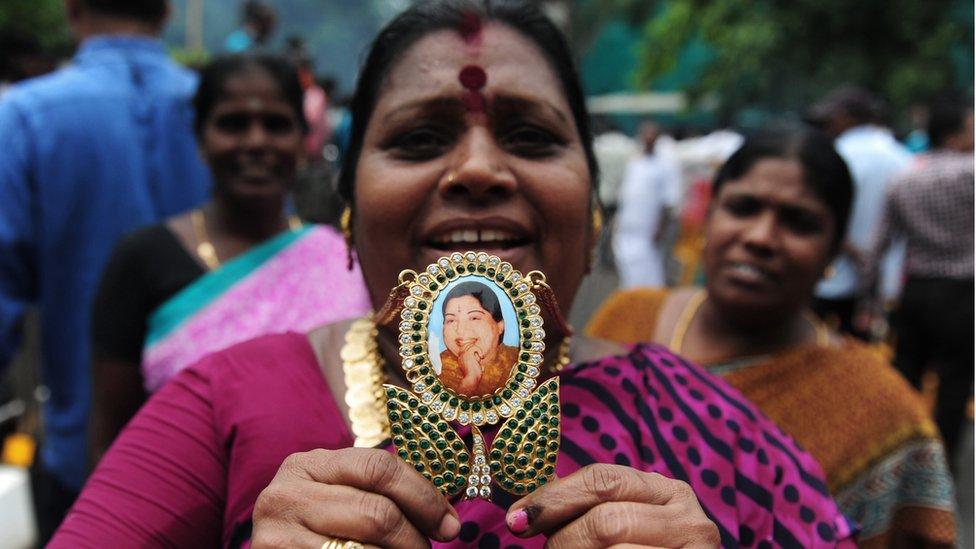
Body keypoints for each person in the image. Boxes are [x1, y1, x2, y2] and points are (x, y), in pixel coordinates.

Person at [52, 2, 855, 547]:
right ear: (348, 210)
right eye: (419, 138)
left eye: (533, 137)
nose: (477, 167)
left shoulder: (708, 425)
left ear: (595, 210)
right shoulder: (223, 404)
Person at [587, 129, 957, 547]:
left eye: (799, 222)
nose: (760, 237)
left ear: (835, 253)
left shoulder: (882, 413)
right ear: (709, 218)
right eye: (743, 208)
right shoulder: (625, 318)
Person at [88, 53, 371, 465]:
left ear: (303, 139)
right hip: (184, 518)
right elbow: (109, 439)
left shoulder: (340, 257)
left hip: (336, 515)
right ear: (201, 139)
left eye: (276, 124)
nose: (256, 141)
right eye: (233, 124)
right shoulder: (142, 259)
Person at [0, 0, 212, 540]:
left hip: (85, 453)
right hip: (217, 456)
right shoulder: (226, 111)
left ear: (72, 11)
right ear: (165, 13)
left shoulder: (23, 117)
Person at [864, 99, 974, 461]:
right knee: (955, 382)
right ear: (955, 134)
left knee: (906, 374)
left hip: (916, 291)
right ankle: (941, 461)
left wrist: (870, 298)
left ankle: (900, 455)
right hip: (962, 293)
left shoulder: (905, 178)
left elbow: (878, 246)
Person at [806, 86, 911, 338]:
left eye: (833, 117)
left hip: (830, 275)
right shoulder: (901, 156)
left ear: (847, 116)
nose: (828, 124)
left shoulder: (838, 153)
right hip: (882, 279)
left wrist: (849, 247)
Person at [612, 121, 682, 288]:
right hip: (628, 223)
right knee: (626, 263)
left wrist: (661, 228)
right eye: (646, 134)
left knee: (649, 268)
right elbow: (626, 195)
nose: (648, 138)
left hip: (649, 227)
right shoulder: (634, 163)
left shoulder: (665, 165)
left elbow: (668, 201)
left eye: (652, 135)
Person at [437, 281, 519, 396]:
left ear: (500, 325)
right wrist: (471, 379)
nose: (460, 330)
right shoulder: (436, 368)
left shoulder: (517, 359)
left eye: (474, 318)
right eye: (451, 320)